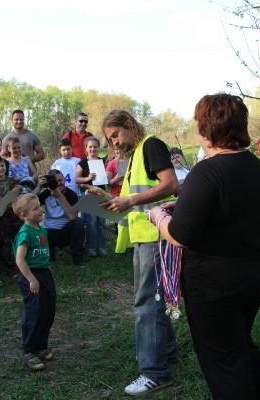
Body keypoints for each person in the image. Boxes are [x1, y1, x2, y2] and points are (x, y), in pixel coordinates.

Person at [149, 93, 260, 400]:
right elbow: (231, 205)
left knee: (224, 363)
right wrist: (184, 203)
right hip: (256, 273)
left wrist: (158, 216)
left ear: (206, 130)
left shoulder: (207, 171)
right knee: (240, 345)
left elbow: (181, 235)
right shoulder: (256, 167)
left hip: (216, 284)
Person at [93, 109, 179, 396]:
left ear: (129, 125)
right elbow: (135, 200)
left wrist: (130, 199)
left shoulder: (151, 145)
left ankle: (155, 372)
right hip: (146, 236)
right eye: (109, 139)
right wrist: (109, 199)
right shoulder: (135, 154)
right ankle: (166, 352)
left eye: (115, 134)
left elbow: (171, 185)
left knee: (146, 302)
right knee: (155, 297)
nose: (114, 143)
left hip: (155, 235)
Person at [12, 193, 56, 371]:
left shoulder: (41, 229)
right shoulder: (25, 233)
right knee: (35, 312)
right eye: (35, 208)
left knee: (48, 311)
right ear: (24, 215)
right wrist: (32, 280)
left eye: (40, 206)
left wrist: (49, 276)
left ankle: (41, 346)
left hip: (44, 274)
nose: (40, 210)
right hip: (31, 276)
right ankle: (30, 350)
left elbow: (44, 257)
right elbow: (20, 260)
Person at [37, 170, 86, 267]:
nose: (58, 183)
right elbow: (26, 204)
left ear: (64, 180)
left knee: (79, 222)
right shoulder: (46, 194)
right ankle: (50, 257)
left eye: (60, 180)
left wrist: (59, 195)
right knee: (39, 229)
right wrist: (39, 187)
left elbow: (73, 216)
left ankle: (78, 257)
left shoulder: (71, 194)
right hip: (49, 232)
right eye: (55, 181)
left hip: (66, 231)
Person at [0, 156, 22, 275]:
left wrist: (10, 197)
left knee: (19, 238)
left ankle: (21, 263)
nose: (0, 169)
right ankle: (8, 266)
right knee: (5, 241)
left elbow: (17, 198)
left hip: (14, 214)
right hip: (2, 216)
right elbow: (0, 203)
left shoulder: (11, 180)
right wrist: (11, 195)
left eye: (2, 165)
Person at [75, 137, 107, 257]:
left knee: (101, 221)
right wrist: (88, 178)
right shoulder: (82, 163)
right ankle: (91, 247)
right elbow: (76, 179)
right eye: (90, 147)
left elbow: (107, 178)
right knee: (91, 222)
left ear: (98, 148)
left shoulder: (103, 162)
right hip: (88, 195)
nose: (93, 149)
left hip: (101, 194)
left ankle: (101, 247)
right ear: (86, 148)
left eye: (95, 147)